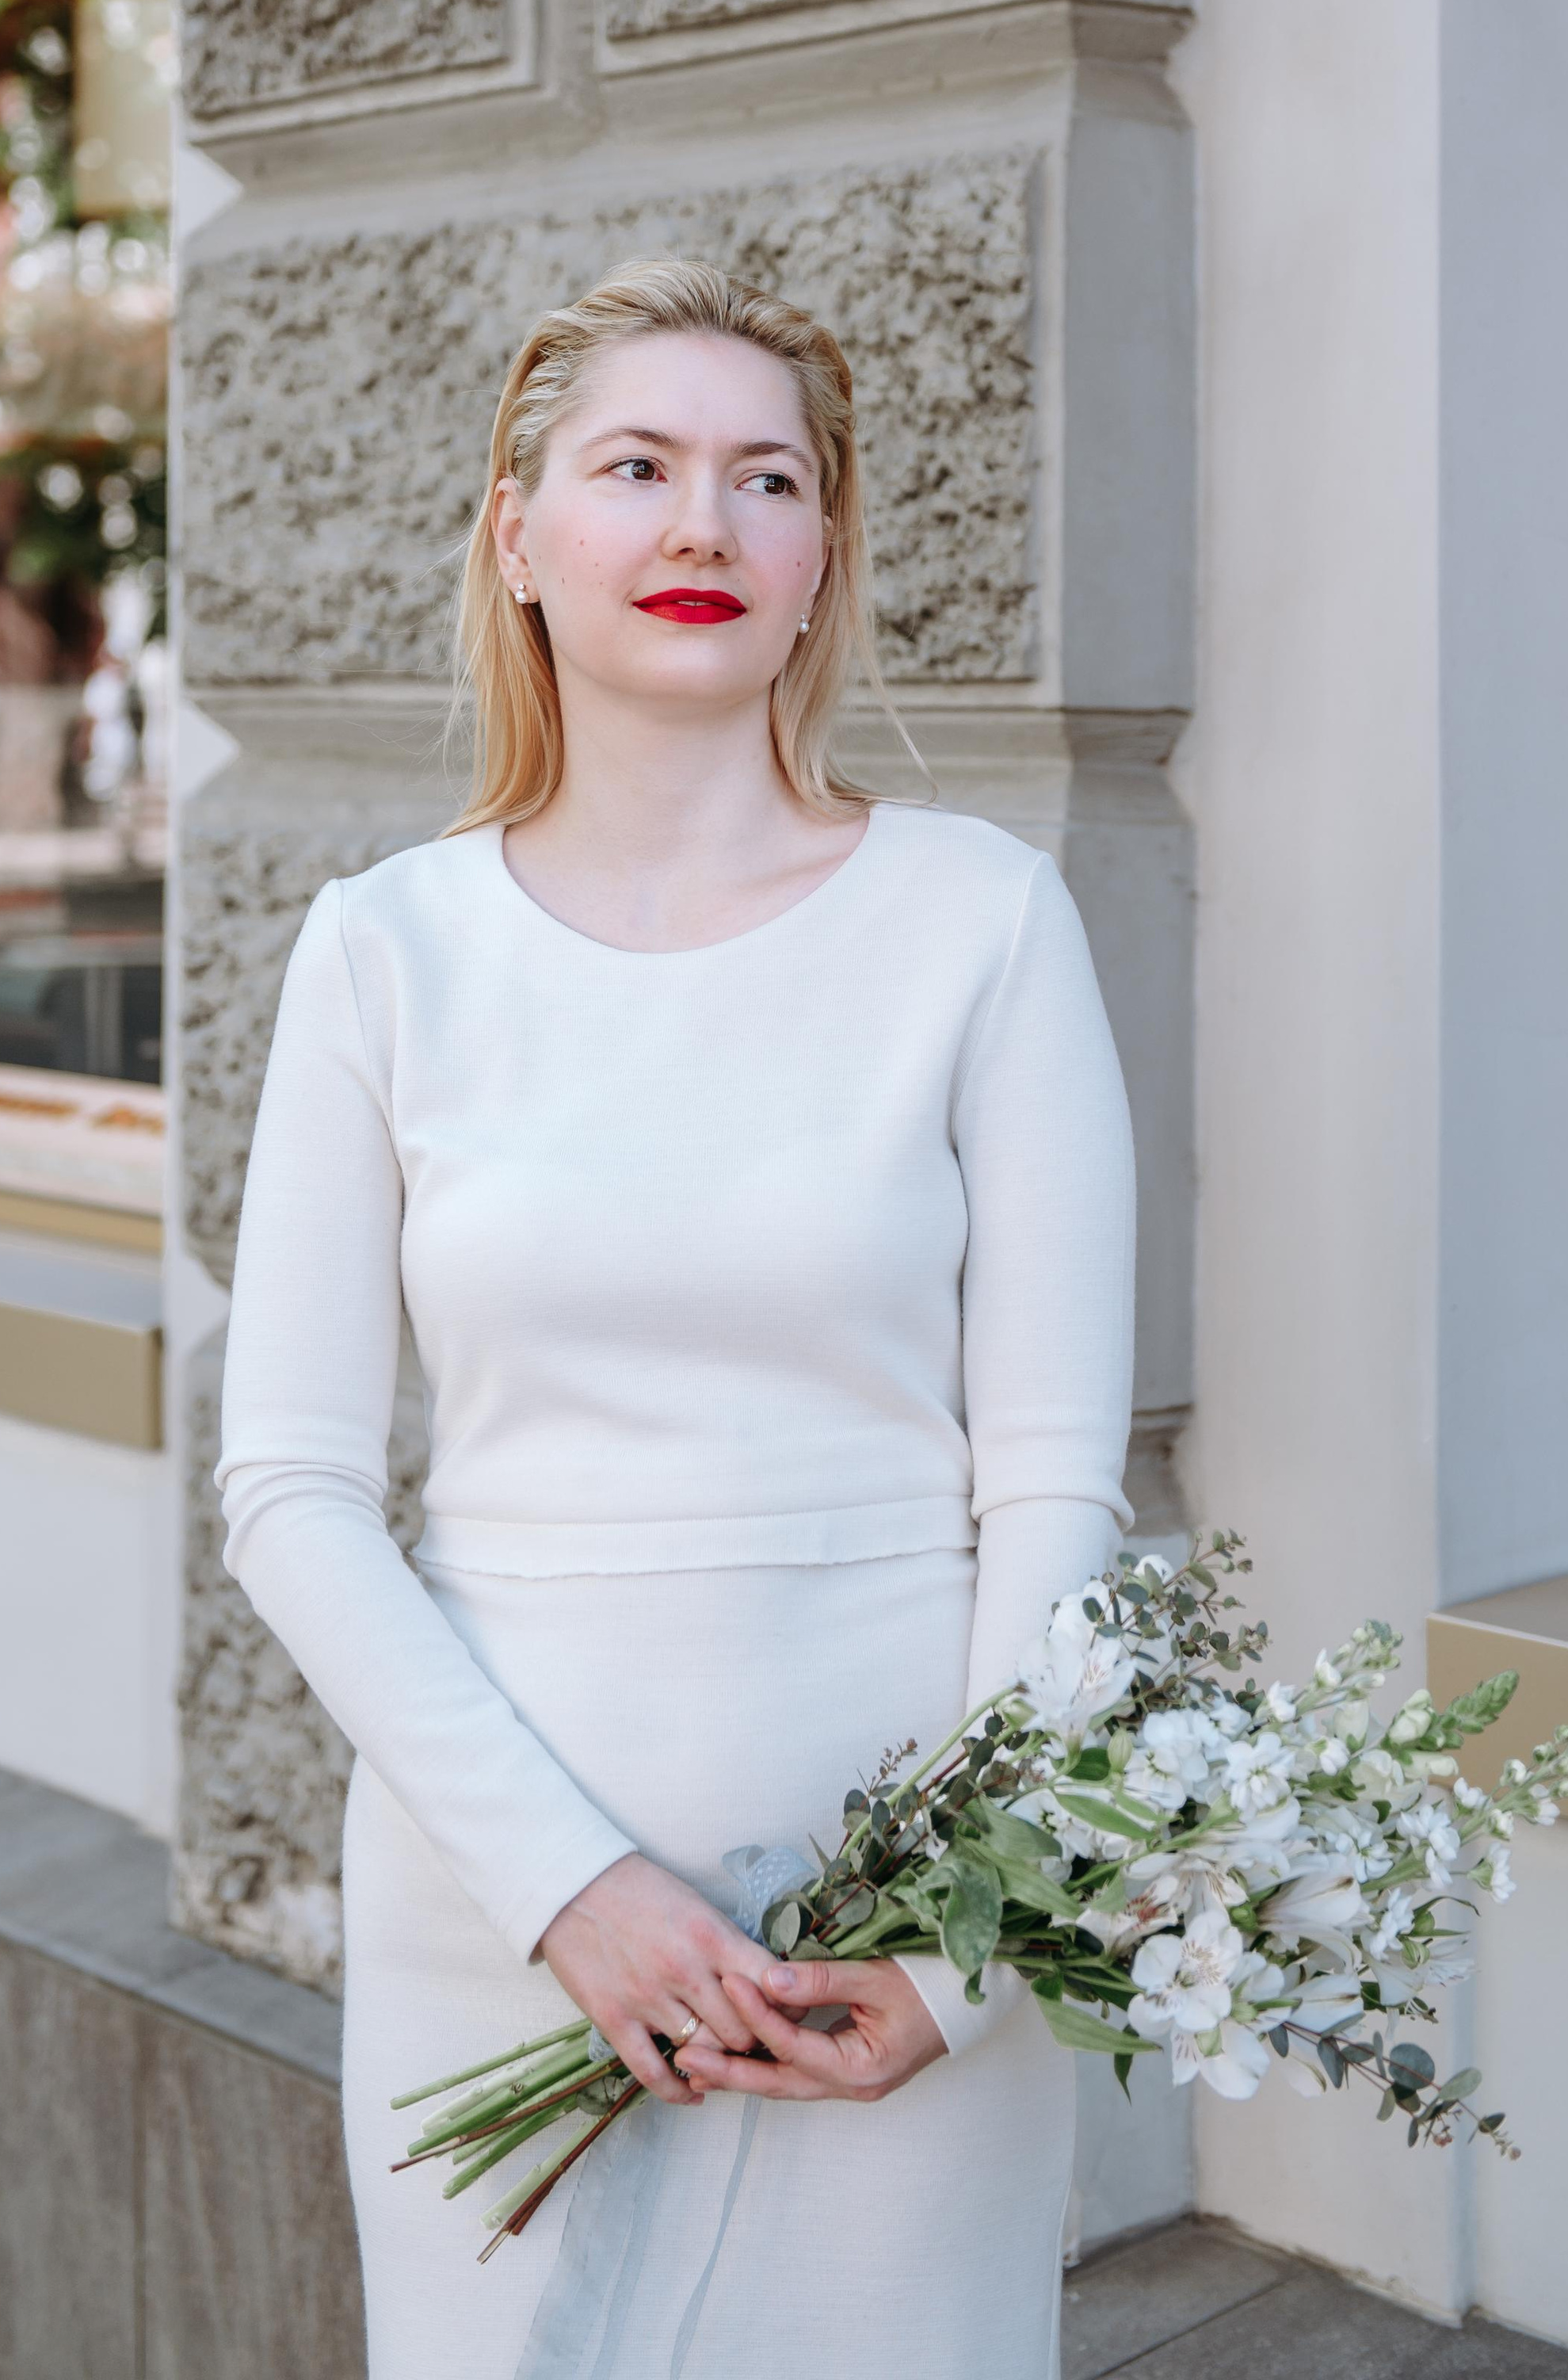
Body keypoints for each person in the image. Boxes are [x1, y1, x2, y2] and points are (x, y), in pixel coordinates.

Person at [216, 261, 1135, 2378]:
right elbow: (290, 1490)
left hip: (893, 1939)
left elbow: (1056, 1481)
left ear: (824, 567)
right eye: (637, 468)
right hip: (501, 1918)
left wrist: (966, 1951)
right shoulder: (383, 956)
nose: (704, 527)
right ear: (521, 538)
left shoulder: (983, 923)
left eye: (767, 481)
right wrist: (570, 1893)